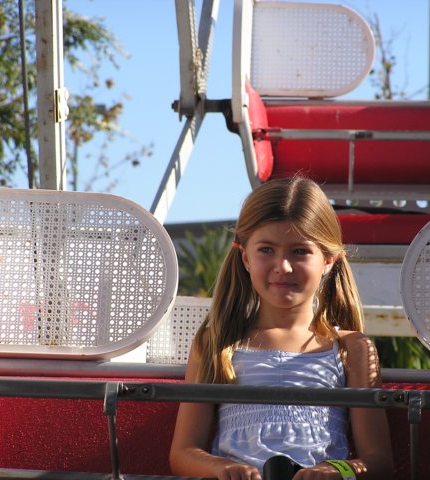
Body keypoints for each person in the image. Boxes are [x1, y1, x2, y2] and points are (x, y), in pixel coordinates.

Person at [169, 176, 394, 480]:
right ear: (245, 256)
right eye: (266, 250)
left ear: (328, 260)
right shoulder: (218, 343)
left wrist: (336, 471)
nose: (283, 266)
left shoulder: (352, 348)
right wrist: (221, 468)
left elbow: (378, 461)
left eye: (300, 251)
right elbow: (183, 453)